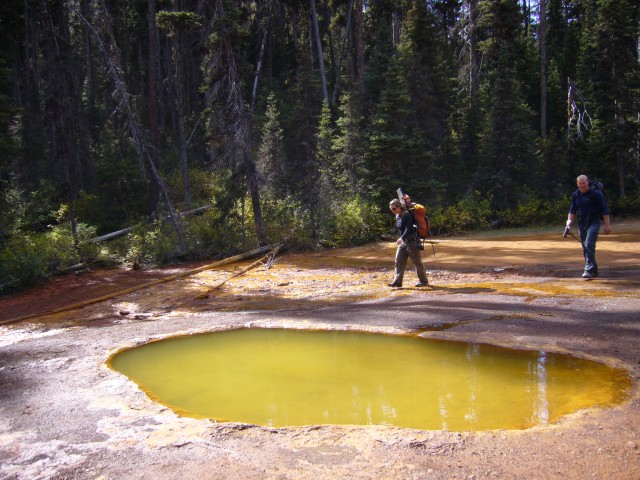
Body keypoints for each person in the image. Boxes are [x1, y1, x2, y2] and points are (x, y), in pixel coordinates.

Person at [566, 174, 611, 278]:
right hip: (582, 224)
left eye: (583, 183)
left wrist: (607, 225)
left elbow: (604, 210)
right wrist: (568, 224)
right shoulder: (575, 195)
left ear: (588, 182)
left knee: (589, 244)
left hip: (594, 222)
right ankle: (593, 269)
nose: (582, 185)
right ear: (577, 184)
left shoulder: (596, 194)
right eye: (580, 183)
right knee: (585, 247)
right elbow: (572, 210)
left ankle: (588, 269)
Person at [388, 199, 429, 287]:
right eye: (391, 209)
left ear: (399, 207)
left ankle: (424, 281)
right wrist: (402, 239)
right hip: (403, 242)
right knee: (398, 261)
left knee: (417, 262)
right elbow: (401, 230)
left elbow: (408, 228)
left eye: (394, 209)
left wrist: (401, 238)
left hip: (412, 242)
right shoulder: (397, 216)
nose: (393, 211)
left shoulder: (407, 215)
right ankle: (397, 281)